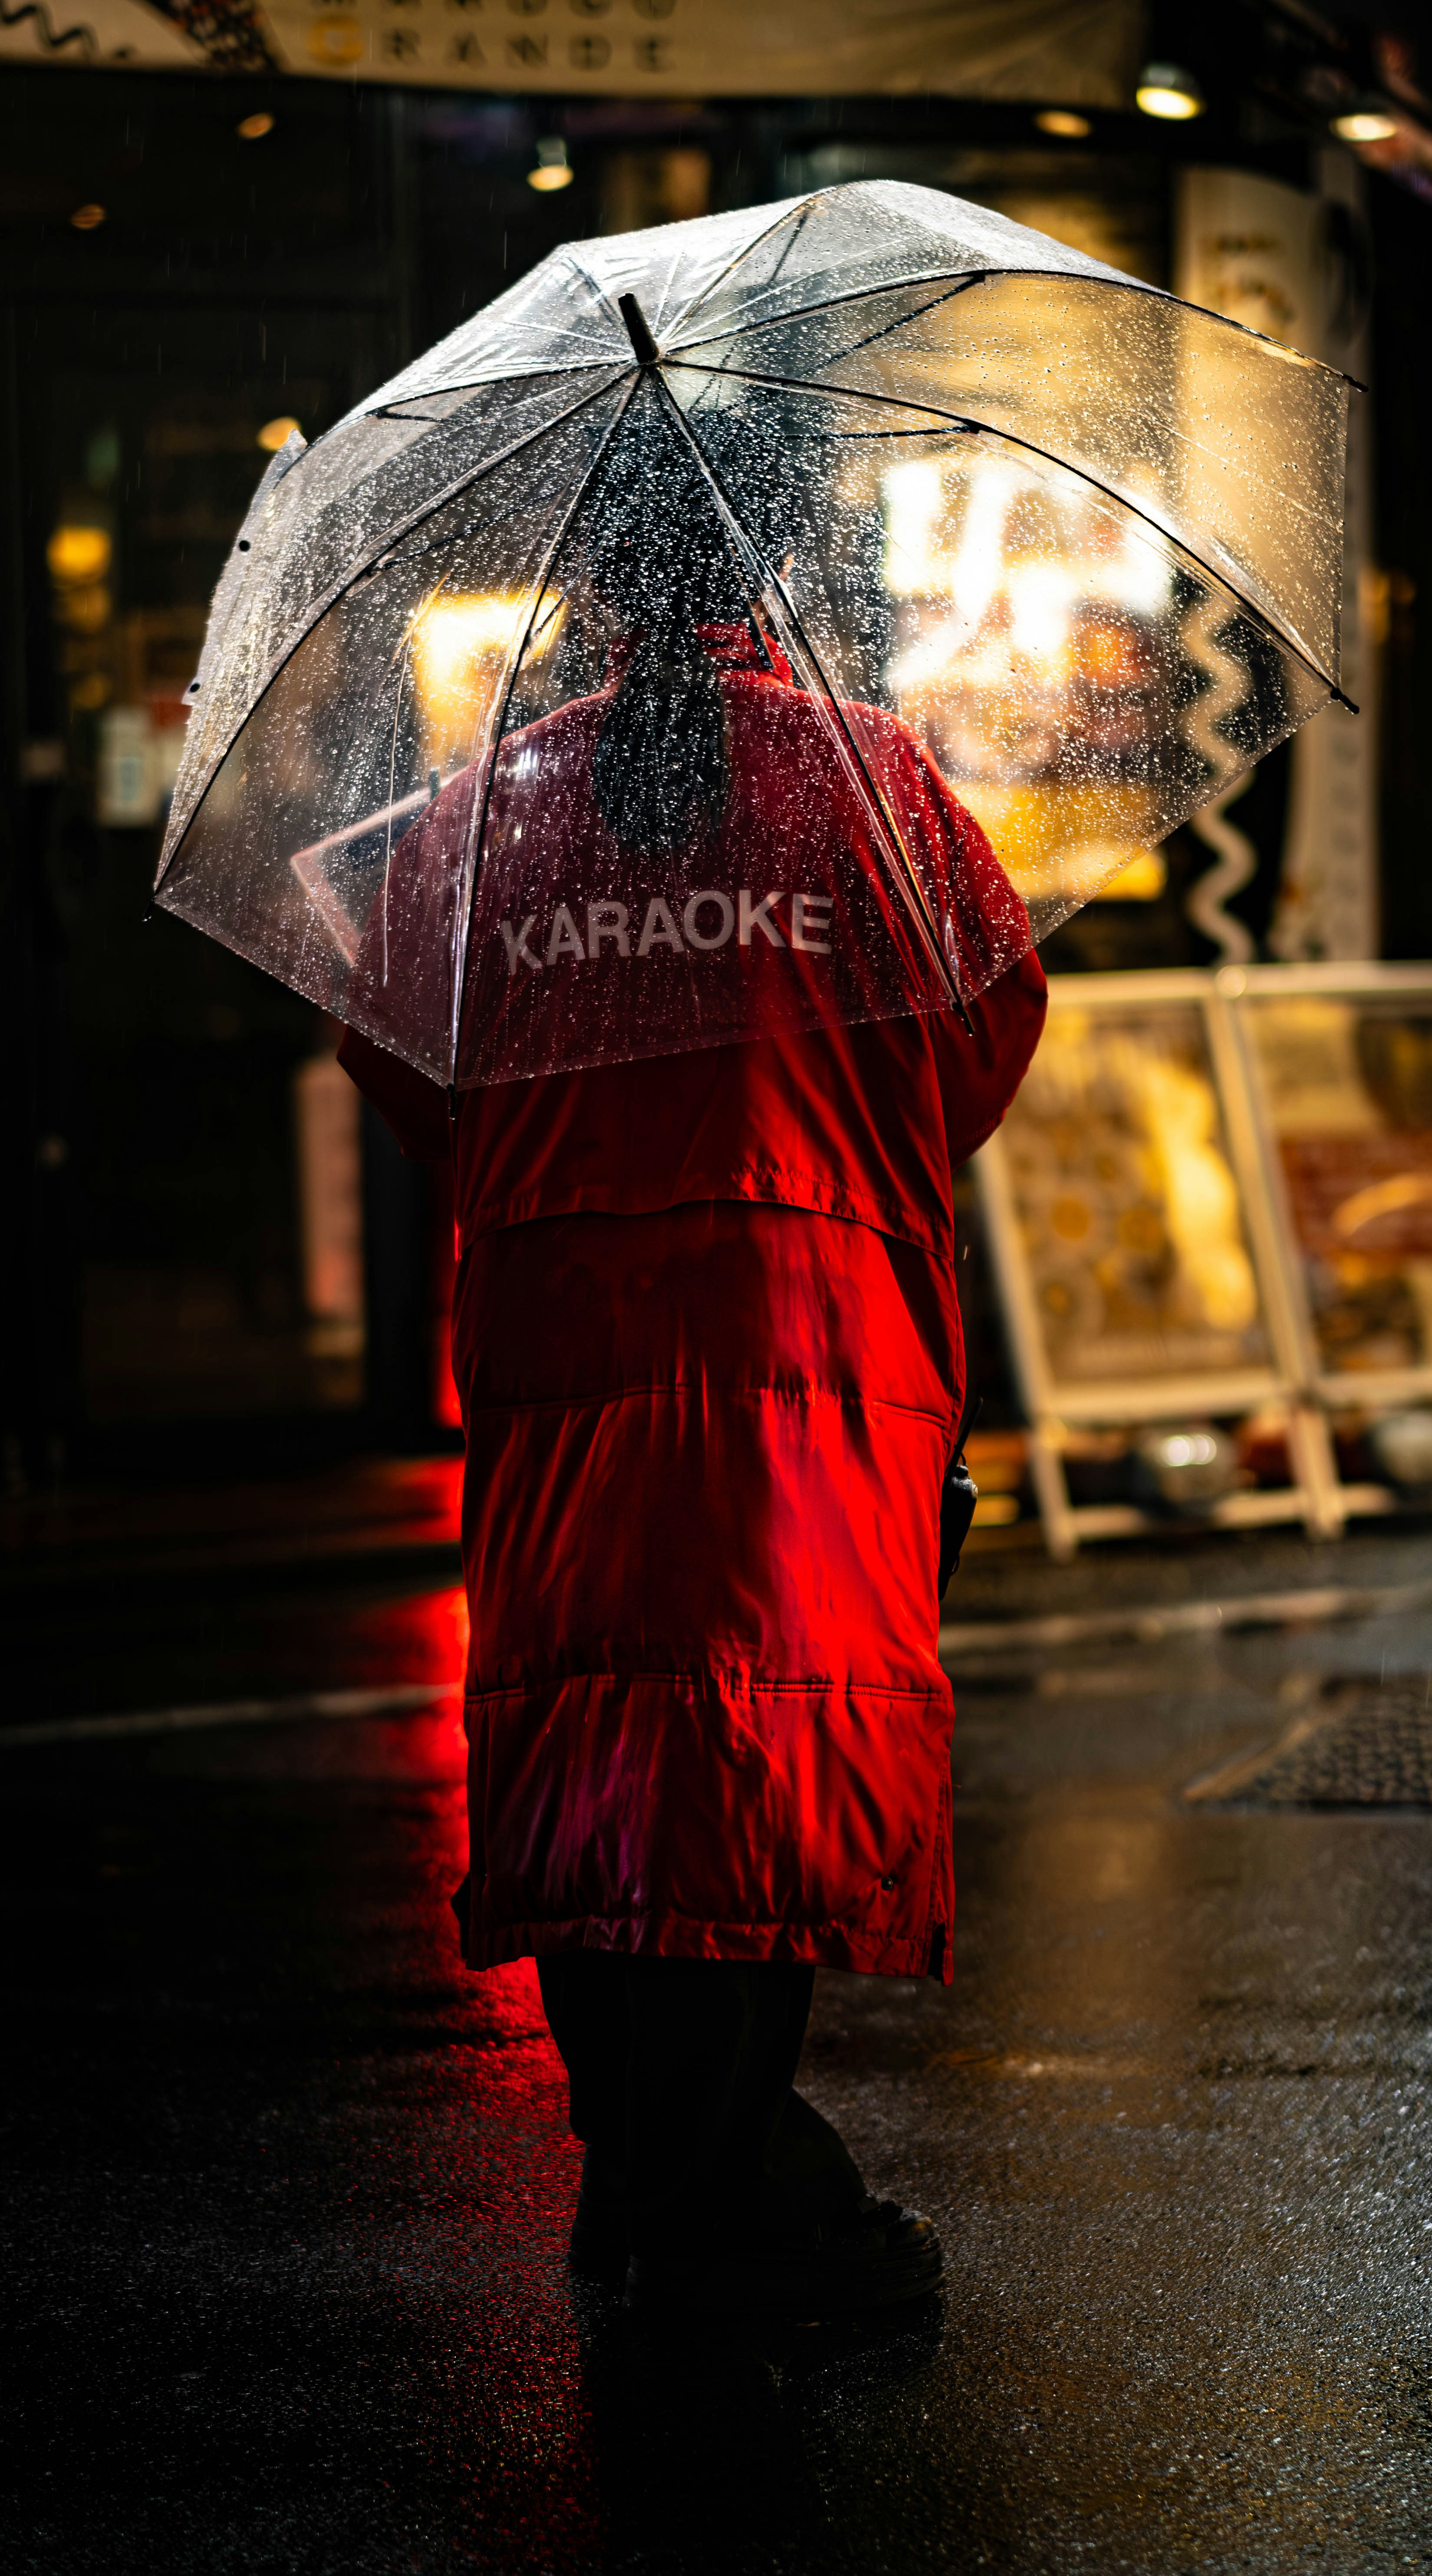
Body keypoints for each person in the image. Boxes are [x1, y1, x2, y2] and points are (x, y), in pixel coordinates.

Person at [339, 404, 1046, 2319]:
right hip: (812, 1344)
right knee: (770, 1749)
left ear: (591, 582)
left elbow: (409, 1068)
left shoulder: (489, 808)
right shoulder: (872, 787)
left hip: (570, 1341)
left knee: (597, 1751)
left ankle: (661, 2182)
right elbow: (978, 1047)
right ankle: (719, 2201)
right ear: (773, 566)